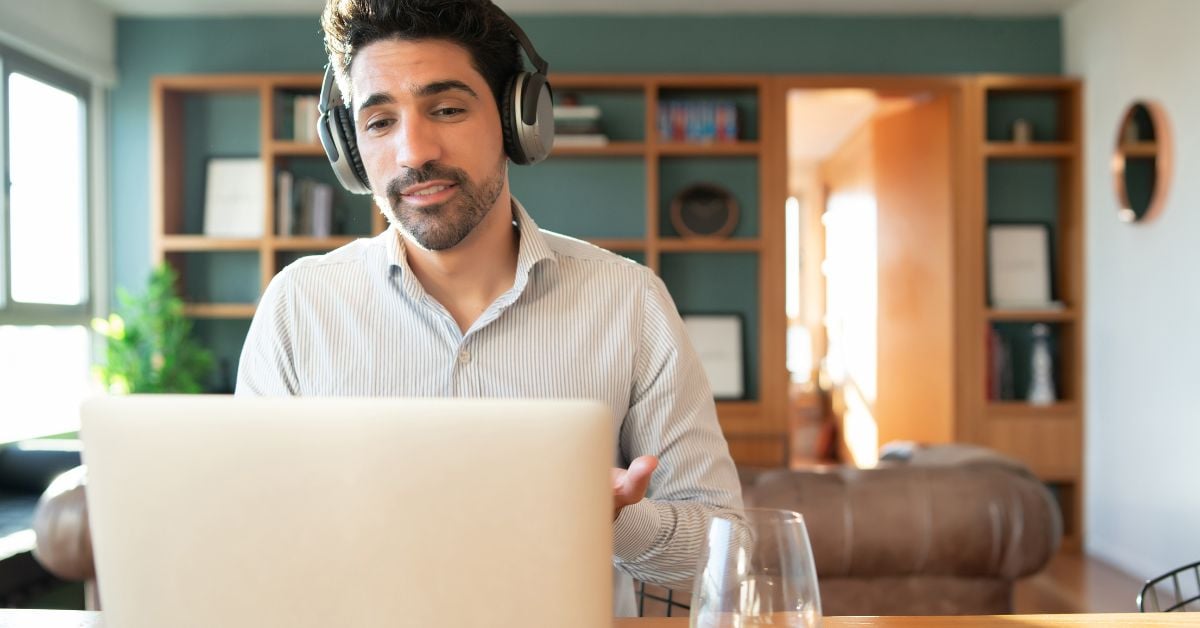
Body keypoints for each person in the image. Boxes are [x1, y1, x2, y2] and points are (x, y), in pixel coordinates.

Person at [236, 0, 745, 616]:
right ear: (349, 148)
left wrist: (607, 519)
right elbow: (251, 542)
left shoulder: (629, 302)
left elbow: (724, 544)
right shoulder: (299, 306)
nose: (412, 152)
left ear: (515, 121)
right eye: (379, 122)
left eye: (446, 109)